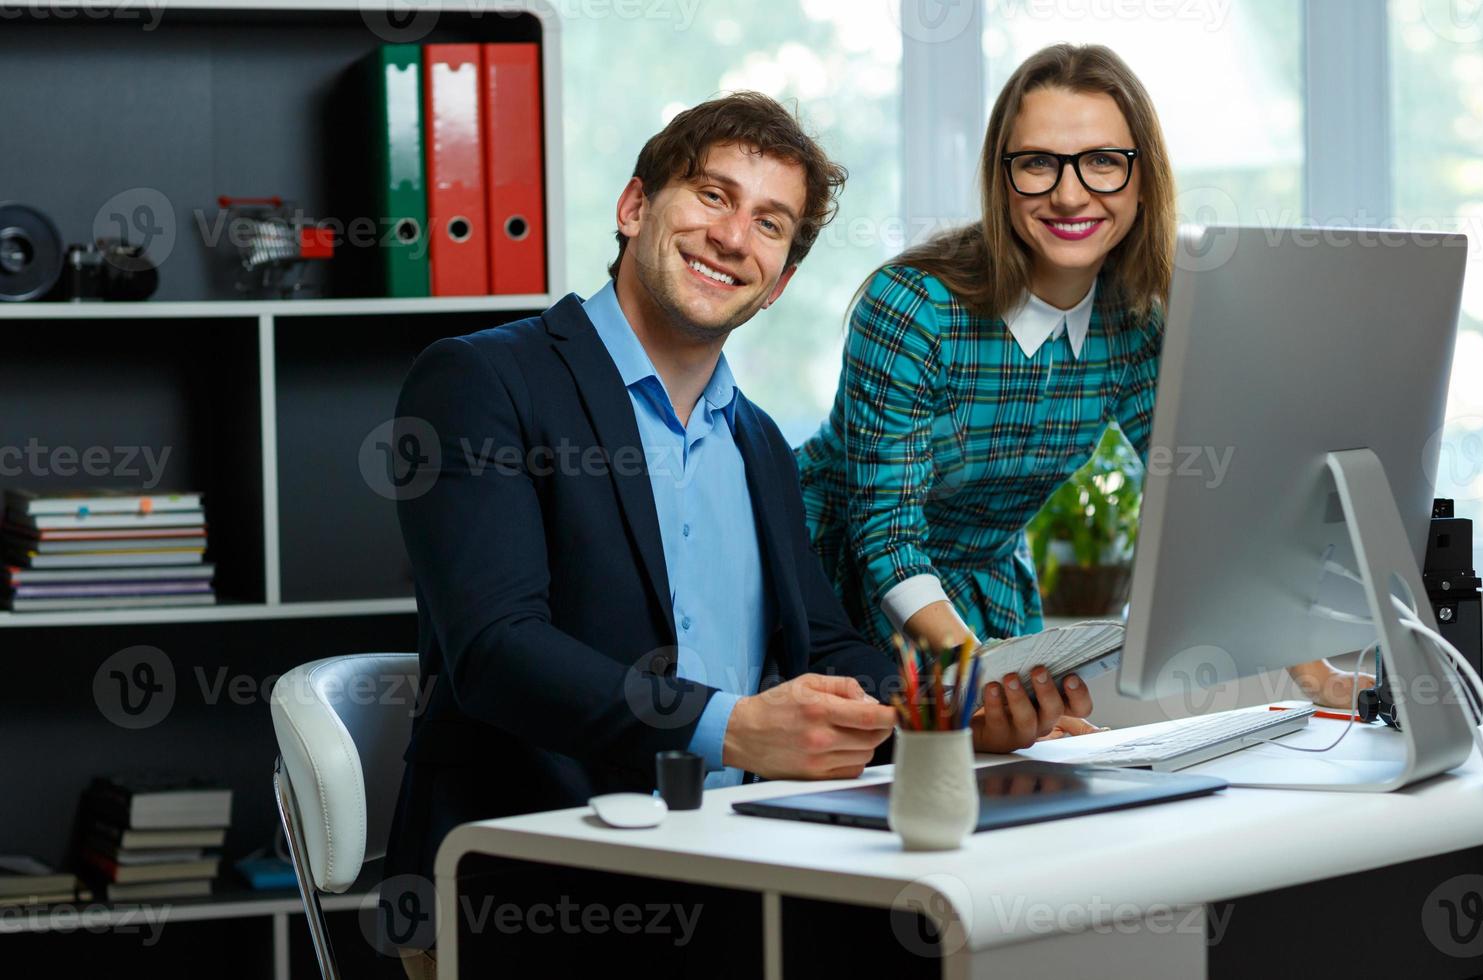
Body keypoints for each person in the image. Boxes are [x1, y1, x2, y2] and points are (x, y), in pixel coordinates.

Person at [381, 91, 1092, 979]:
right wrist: (732, 728)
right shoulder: (484, 381)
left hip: (731, 861)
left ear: (781, 279)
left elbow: (826, 644)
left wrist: (953, 717)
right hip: (530, 875)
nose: (732, 237)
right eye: (712, 196)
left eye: (769, 223)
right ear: (636, 207)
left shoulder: (758, 442)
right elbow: (495, 650)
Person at [796, 44, 1372, 722]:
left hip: (982, 599)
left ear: (1142, 182)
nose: (1070, 194)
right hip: (833, 583)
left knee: (1029, 789)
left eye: (1103, 162)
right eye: (1037, 163)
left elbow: (1205, 500)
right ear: (1001, 179)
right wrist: (976, 677)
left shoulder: (1133, 327)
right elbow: (886, 536)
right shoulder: (913, 306)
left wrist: (1317, 675)